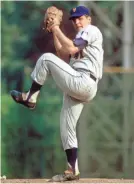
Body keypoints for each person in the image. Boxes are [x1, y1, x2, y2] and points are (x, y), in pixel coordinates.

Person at [10, 5, 104, 182]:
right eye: (74, 19)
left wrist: (55, 27)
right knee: (66, 127)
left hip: (84, 80)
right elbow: (62, 53)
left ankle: (30, 96)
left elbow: (71, 49)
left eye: (80, 18)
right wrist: (55, 31)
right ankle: (72, 170)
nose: (77, 21)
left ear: (89, 19)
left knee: (45, 58)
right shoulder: (79, 36)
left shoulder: (91, 30)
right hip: (79, 83)